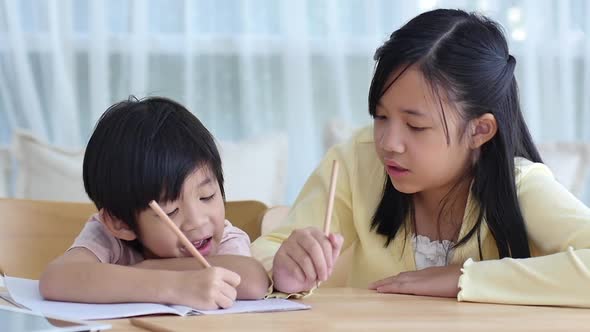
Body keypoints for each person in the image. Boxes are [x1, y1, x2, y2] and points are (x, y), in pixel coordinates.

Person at [252, 9, 590, 306]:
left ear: (479, 130)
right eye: (381, 116)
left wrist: (467, 278)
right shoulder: (357, 160)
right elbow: (263, 253)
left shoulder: (521, 185)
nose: (388, 143)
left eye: (415, 125)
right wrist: (281, 268)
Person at [40, 96, 270, 309]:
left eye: (207, 196)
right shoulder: (107, 237)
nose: (197, 222)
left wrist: (146, 269)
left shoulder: (224, 238)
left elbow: (252, 280)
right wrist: (175, 286)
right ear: (121, 223)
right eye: (170, 211)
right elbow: (56, 279)